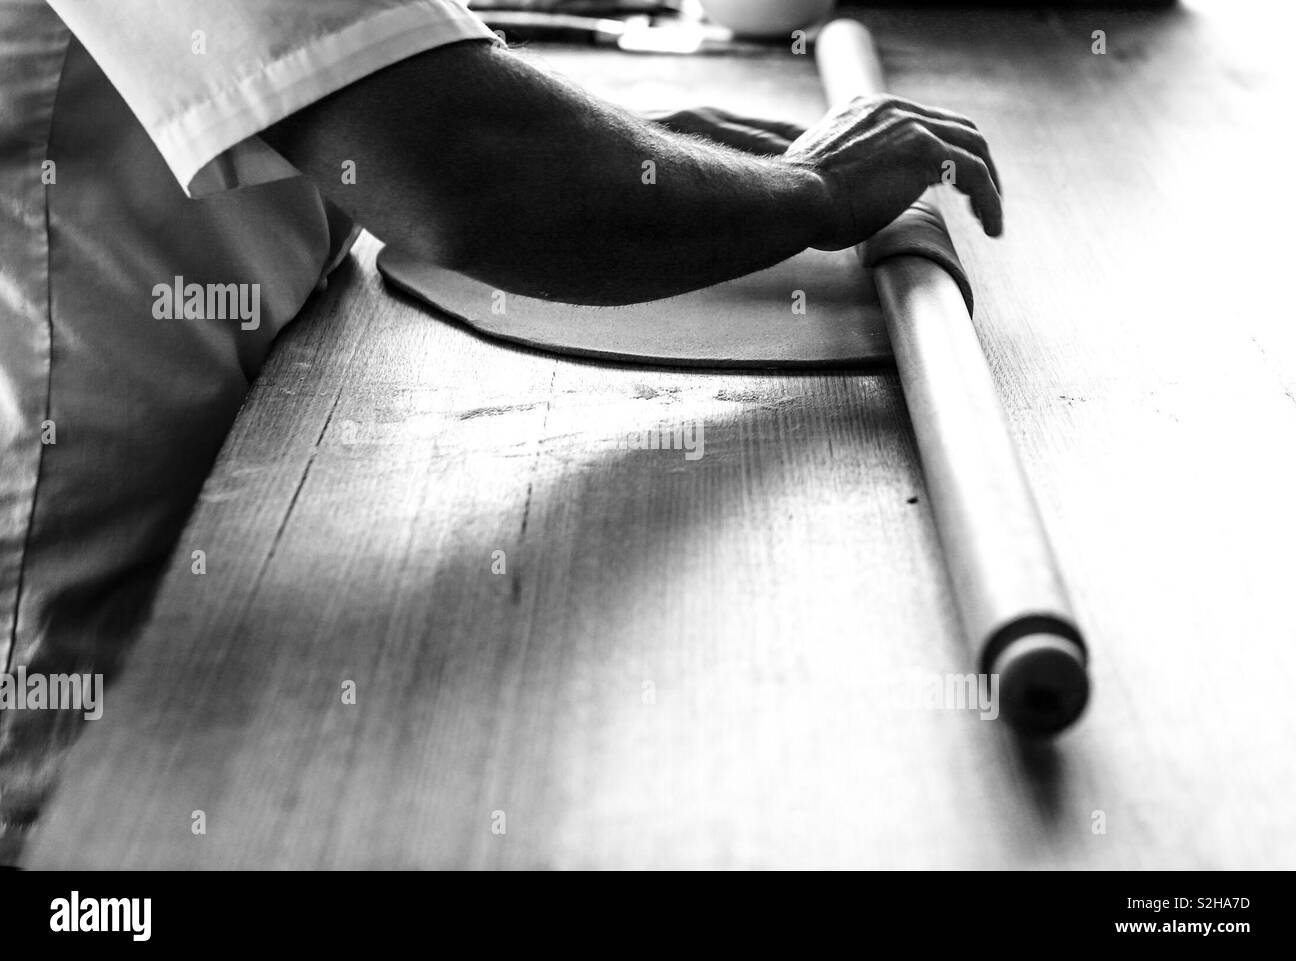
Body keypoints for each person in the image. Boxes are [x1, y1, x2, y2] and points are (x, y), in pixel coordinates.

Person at [0, 0, 1000, 862]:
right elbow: (461, 175)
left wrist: (624, 154)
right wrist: (810, 195)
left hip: (176, 566)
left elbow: (370, 95)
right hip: (75, 669)